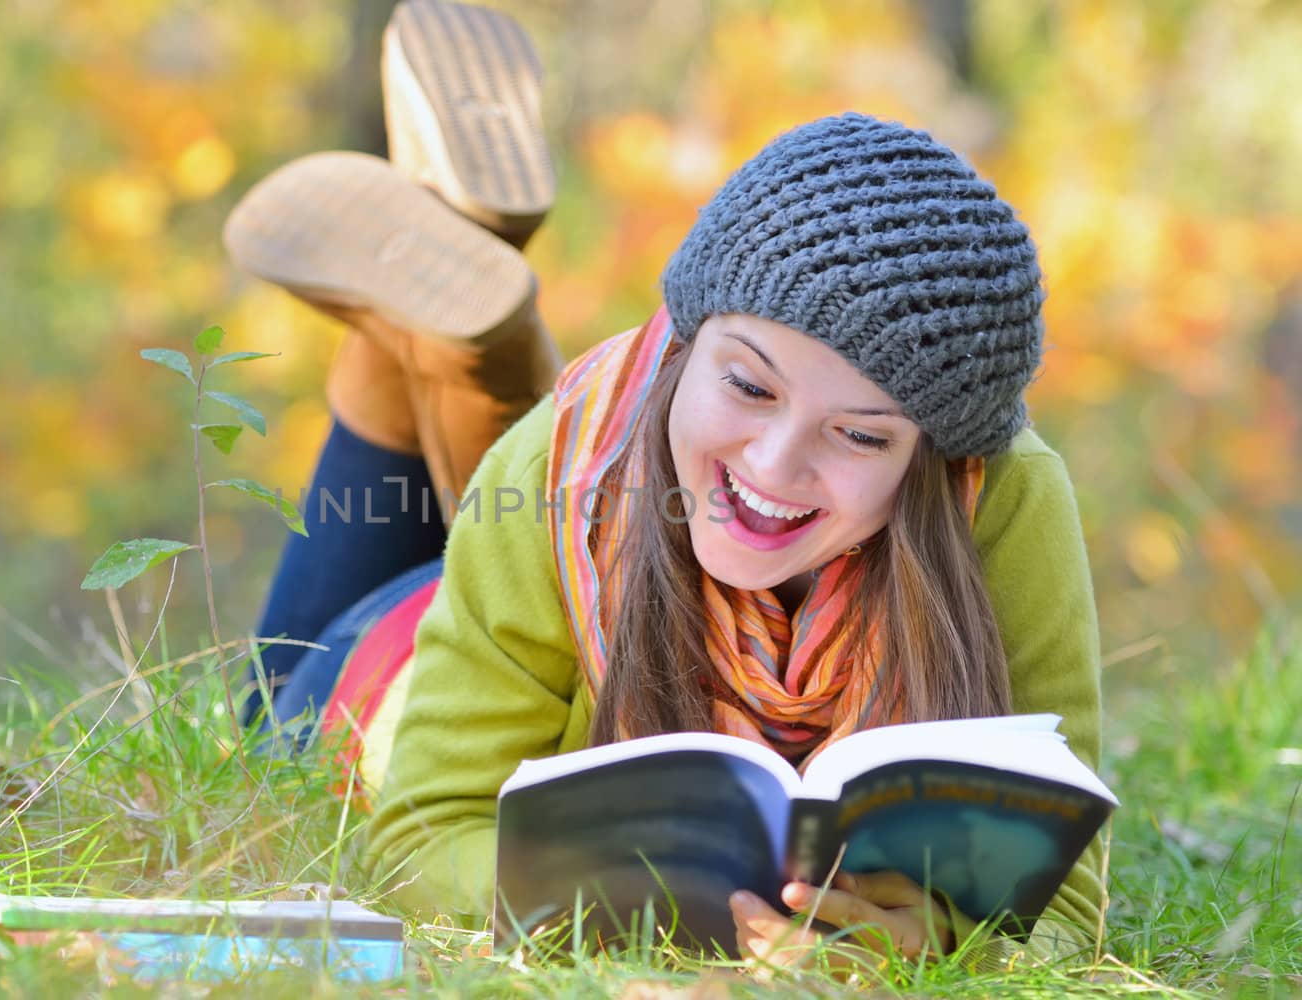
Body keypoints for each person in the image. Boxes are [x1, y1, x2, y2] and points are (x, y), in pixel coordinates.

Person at [222, 0, 1105, 975]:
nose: (774, 465)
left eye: (858, 433)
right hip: (384, 664)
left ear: (936, 458)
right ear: (682, 342)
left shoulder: (1004, 496)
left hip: (560, 561)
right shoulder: (555, 460)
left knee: (601, 474)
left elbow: (1066, 907)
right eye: (747, 382)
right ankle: (453, 343)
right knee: (264, 710)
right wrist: (649, 926)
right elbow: (417, 836)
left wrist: (926, 949)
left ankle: (460, 304)